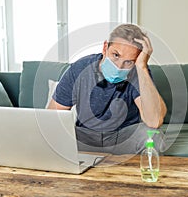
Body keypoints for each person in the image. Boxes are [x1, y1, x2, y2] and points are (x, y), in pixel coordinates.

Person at [48, 24, 167, 154]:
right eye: (116, 55)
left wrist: (142, 67)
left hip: (122, 137)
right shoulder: (79, 69)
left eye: (129, 61)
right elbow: (52, 117)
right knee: (51, 137)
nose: (119, 66)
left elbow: (154, 121)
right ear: (105, 48)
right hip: (85, 138)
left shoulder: (138, 71)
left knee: (153, 136)